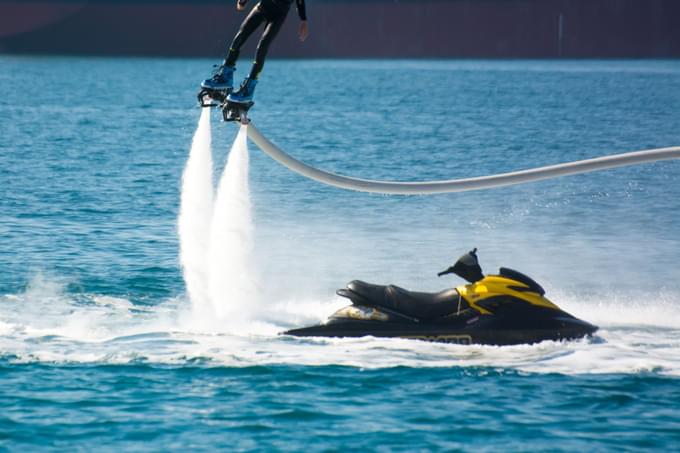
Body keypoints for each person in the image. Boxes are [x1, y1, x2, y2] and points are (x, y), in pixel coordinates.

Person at [201, 0, 308, 103]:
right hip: (263, 6)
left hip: (279, 14)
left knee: (262, 47)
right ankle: (225, 76)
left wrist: (303, 20)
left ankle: (248, 89)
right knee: (240, 36)